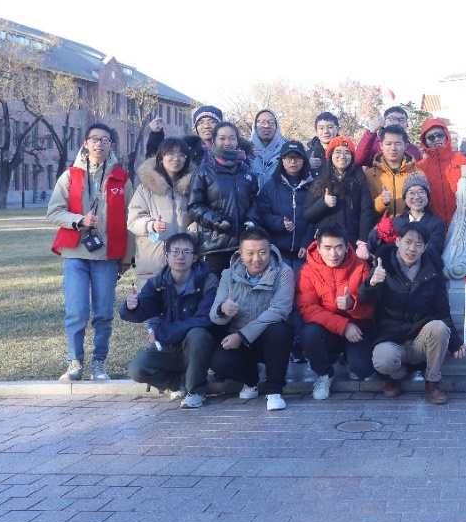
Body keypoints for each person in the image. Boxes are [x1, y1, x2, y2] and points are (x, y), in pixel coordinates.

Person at [48, 123, 135, 382]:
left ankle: (99, 362)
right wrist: (80, 220)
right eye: (94, 139)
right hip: (75, 253)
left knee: (103, 314)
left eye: (104, 140)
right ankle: (74, 362)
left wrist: (127, 258)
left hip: (107, 256)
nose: (99, 144)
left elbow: (130, 220)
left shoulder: (122, 178)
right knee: (76, 312)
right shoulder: (70, 175)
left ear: (112, 145)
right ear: (85, 143)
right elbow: (53, 212)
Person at [358, 224, 465, 404]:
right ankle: (397, 376)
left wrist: (455, 343)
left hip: (419, 340)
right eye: (408, 242)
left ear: (424, 247)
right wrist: (372, 283)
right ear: (397, 242)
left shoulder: (432, 271)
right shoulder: (383, 267)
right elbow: (365, 298)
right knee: (383, 360)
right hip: (390, 338)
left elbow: (442, 311)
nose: (412, 249)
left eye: (418, 244)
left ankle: (432, 382)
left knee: (439, 327)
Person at [119, 232, 218, 408]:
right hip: (169, 348)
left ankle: (196, 391)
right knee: (137, 368)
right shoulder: (157, 283)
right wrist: (130, 307)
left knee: (198, 334)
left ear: (195, 257)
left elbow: (204, 319)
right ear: (166, 255)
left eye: (186, 252)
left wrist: (162, 333)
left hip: (196, 347)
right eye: (175, 251)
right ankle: (178, 383)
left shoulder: (207, 281)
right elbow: (144, 309)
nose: (180, 256)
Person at [209, 227, 295, 411]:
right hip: (241, 342)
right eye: (250, 253)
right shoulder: (228, 275)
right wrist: (223, 309)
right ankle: (251, 380)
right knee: (219, 361)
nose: (256, 259)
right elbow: (215, 316)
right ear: (240, 253)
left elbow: (279, 310)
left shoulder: (284, 272)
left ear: (270, 250)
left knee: (280, 331)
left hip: (268, 340)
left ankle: (274, 390)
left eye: (262, 252)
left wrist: (241, 336)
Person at [296, 226, 376, 399]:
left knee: (362, 371)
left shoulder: (361, 267)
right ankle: (324, 374)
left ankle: (349, 358)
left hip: (358, 328)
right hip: (328, 330)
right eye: (327, 248)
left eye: (339, 247)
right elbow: (307, 309)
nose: (333, 254)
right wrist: (343, 326)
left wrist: (352, 305)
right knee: (309, 334)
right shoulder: (307, 271)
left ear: (347, 247)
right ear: (318, 248)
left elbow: (372, 307)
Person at [188, 122, 259, 278]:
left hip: (243, 245)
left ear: (237, 141)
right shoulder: (204, 171)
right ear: (214, 141)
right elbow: (194, 206)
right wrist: (215, 220)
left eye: (232, 138)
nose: (227, 143)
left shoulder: (246, 171)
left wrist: (250, 220)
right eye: (222, 138)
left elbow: (255, 200)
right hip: (214, 246)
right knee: (214, 290)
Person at [127, 136, 195, 292]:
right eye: (170, 153)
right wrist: (151, 225)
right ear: (160, 157)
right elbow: (133, 219)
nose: (176, 158)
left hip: (184, 262)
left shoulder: (193, 186)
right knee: (152, 305)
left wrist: (190, 235)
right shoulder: (146, 188)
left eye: (182, 155)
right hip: (153, 260)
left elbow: (199, 217)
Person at [303, 135, 374, 259]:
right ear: (330, 155)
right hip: (326, 246)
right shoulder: (320, 181)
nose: (342, 156)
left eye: (347, 152)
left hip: (350, 245)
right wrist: (323, 204)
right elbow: (306, 215)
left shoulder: (359, 181)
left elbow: (366, 211)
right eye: (338, 152)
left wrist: (363, 241)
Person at [255, 140, 315, 275]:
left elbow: (315, 218)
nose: (293, 161)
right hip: (277, 252)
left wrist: (306, 243)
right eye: (288, 157)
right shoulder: (270, 186)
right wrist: (280, 223)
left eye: (297, 158)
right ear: (282, 160)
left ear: (304, 160)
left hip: (303, 252)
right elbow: (262, 213)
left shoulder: (313, 186)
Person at [145, 105, 254, 167]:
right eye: (201, 123)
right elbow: (157, 161)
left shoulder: (237, 153)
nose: (206, 126)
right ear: (196, 127)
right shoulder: (186, 150)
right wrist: (156, 135)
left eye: (211, 121)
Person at [416, 118, 466, 229]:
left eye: (439, 135)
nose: (436, 139)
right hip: (434, 226)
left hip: (461, 223)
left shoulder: (461, 160)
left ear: (446, 136)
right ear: (425, 141)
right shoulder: (420, 167)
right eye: (430, 137)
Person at [365, 125, 426, 219]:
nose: (393, 148)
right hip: (380, 227)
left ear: (405, 146)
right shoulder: (369, 175)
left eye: (398, 144)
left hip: (410, 226)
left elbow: (425, 207)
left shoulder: (418, 174)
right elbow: (365, 210)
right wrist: (381, 201)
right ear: (381, 145)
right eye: (388, 144)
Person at [390, 174, 447, 257]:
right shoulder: (396, 222)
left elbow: (433, 251)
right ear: (405, 198)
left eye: (421, 192)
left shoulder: (437, 224)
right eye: (411, 193)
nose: (416, 197)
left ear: (427, 197)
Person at [354, 106, 423, 167]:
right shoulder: (374, 146)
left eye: (401, 120)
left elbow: (420, 173)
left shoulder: (414, 150)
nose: (397, 123)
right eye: (392, 119)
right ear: (384, 122)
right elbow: (359, 160)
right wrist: (373, 130)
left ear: (407, 125)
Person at [250, 109, 287, 190]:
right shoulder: (243, 149)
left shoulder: (287, 150)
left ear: (277, 126)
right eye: (262, 122)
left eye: (271, 123)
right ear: (255, 125)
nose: (266, 126)